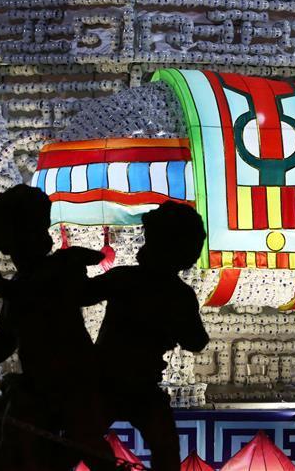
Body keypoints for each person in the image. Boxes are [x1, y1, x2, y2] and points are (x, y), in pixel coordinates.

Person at [0, 184, 114, 471]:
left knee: (80, 441)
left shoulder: (62, 267)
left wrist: (5, 289)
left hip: (73, 384)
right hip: (38, 385)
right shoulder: (23, 282)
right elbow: (9, 335)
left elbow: (44, 297)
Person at [80, 201, 210, 471]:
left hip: (110, 381)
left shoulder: (125, 278)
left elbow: (82, 294)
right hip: (133, 383)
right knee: (165, 449)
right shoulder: (178, 294)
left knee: (80, 438)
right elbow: (196, 340)